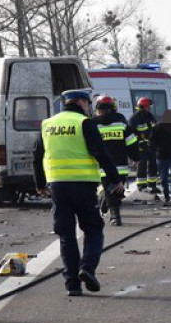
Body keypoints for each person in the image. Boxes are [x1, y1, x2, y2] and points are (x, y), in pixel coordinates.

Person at [33, 90, 123, 297]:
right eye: (88, 103)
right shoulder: (84, 122)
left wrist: (40, 184)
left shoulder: (47, 124)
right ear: (82, 102)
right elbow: (100, 151)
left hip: (57, 186)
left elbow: (37, 155)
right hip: (83, 185)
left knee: (66, 235)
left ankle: (72, 285)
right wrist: (116, 179)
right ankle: (88, 268)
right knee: (93, 229)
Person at [92, 95, 139, 226]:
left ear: (98, 108)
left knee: (110, 189)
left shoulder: (93, 124)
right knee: (116, 190)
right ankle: (114, 215)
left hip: (101, 166)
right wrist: (136, 158)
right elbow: (131, 143)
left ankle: (108, 206)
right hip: (121, 166)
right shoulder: (122, 123)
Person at [128, 97, 159, 194]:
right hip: (141, 146)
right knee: (142, 165)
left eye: (149, 106)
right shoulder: (134, 119)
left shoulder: (150, 116)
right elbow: (131, 133)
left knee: (153, 165)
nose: (149, 108)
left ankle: (152, 185)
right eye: (147, 106)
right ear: (142, 107)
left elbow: (154, 129)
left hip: (151, 145)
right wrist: (139, 142)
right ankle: (141, 185)